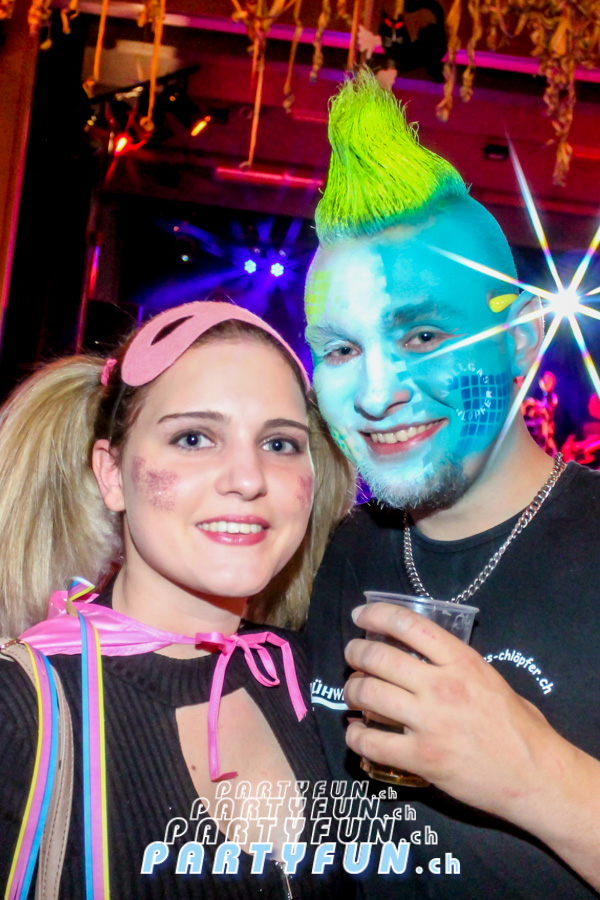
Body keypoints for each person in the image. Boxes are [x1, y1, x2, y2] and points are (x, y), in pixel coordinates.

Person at [303, 71, 600, 899]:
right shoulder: (312, 560)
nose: (375, 395)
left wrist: (535, 776)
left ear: (521, 338)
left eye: (424, 335)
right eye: (341, 349)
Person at [0, 300, 355, 898]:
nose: (248, 479)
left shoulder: (309, 677)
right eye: (194, 438)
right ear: (112, 475)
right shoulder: (22, 709)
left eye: (279, 444)